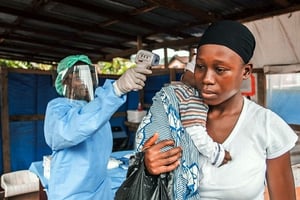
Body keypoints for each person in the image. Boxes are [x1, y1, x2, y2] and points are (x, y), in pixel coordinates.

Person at [135, 20, 298, 199]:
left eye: (219, 69)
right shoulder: (174, 115)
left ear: (245, 72)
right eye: (200, 67)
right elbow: (150, 182)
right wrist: (148, 167)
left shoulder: (267, 126)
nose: (206, 79)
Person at [44, 54, 152, 200]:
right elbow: (71, 130)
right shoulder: (57, 108)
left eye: (88, 76)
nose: (84, 81)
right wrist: (116, 90)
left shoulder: (98, 109)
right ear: (65, 81)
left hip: (100, 191)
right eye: (78, 77)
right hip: (71, 193)